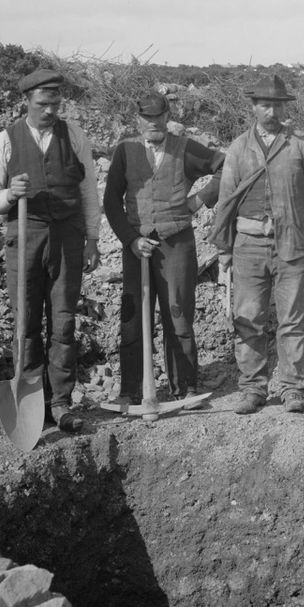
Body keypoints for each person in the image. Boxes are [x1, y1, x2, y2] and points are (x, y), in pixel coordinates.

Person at [0, 68, 100, 434]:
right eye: (43, 104)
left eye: (55, 104)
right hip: (25, 237)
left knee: (63, 322)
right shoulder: (5, 141)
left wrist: (93, 238)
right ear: (27, 101)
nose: (50, 111)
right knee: (26, 323)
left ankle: (60, 404)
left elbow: (88, 191)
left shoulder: (74, 136)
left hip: (67, 238)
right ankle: (30, 407)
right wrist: (9, 194)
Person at [210, 75, 304, 415]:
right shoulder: (238, 148)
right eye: (265, 105)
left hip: (292, 243)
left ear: (285, 108)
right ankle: (252, 389)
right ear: (253, 107)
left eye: (277, 105)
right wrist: (225, 249)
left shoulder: (302, 144)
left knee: (293, 320)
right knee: (248, 319)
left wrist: (290, 216)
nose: (271, 112)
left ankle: (293, 389)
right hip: (248, 245)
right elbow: (226, 197)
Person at [103, 92, 224, 406]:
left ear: (167, 117)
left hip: (177, 243)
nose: (153, 123)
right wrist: (130, 239)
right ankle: (131, 391)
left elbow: (225, 166)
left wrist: (199, 200)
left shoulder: (185, 148)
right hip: (137, 247)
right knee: (133, 317)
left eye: (158, 117)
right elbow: (111, 201)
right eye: (147, 117)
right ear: (138, 119)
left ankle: (185, 387)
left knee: (178, 313)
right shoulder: (125, 151)